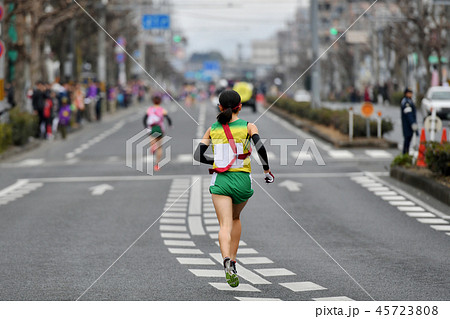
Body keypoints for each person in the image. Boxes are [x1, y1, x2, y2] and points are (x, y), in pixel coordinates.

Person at [194, 89, 274, 288]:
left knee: (224, 225)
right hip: (242, 181)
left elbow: (198, 155)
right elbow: (260, 148)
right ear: (240, 106)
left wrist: (219, 161)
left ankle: (226, 260)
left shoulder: (213, 129)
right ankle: (235, 261)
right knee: (236, 218)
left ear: (220, 107)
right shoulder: (249, 126)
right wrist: (266, 170)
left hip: (221, 181)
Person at [143, 94, 172, 172]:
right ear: (160, 101)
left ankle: (153, 146)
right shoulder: (162, 110)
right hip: (159, 128)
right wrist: (170, 125)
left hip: (151, 128)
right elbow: (168, 118)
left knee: (152, 141)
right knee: (160, 147)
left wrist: (146, 126)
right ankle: (157, 164)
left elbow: (145, 119)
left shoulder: (149, 109)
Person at [401, 88, 418, 154]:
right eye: (409, 93)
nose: (411, 94)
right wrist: (412, 123)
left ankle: (405, 153)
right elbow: (409, 114)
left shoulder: (408, 100)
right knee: (407, 140)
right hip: (407, 124)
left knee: (408, 139)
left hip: (408, 124)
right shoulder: (406, 102)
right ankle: (405, 154)